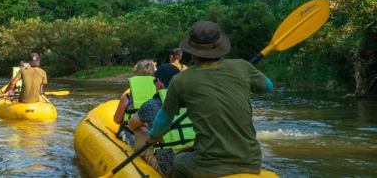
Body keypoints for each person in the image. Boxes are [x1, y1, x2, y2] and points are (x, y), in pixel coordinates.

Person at [147, 21, 273, 178]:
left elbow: (164, 121)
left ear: (191, 52)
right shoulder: (242, 67)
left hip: (208, 166)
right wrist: (246, 75)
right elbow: (267, 86)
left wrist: (152, 136)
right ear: (220, 47)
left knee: (178, 161)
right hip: (252, 162)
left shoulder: (180, 80)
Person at [127, 63, 183, 178]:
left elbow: (132, 125)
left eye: (154, 81)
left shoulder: (152, 104)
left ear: (160, 83)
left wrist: (151, 129)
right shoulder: (192, 101)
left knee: (139, 129)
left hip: (170, 169)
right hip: (195, 162)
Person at [113, 59, 157, 146]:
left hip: (132, 135)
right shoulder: (160, 96)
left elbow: (117, 120)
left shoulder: (127, 97)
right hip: (153, 136)